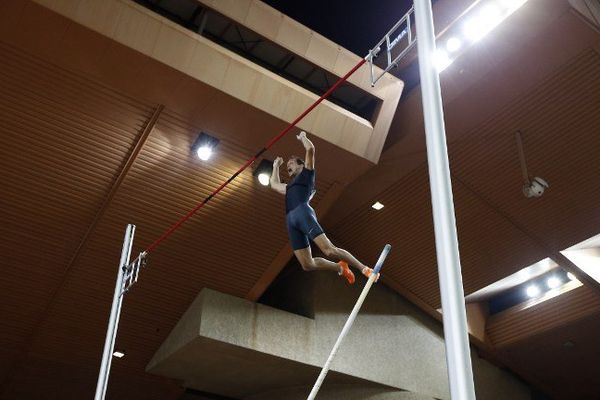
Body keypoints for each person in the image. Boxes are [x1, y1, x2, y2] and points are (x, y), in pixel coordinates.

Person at [270, 131, 378, 284]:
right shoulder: (289, 187)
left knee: (329, 250)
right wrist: (275, 167)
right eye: (287, 164)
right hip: (290, 221)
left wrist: (303, 138)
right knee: (307, 264)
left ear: (301, 165)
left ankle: (365, 269)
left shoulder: (307, 175)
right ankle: (340, 268)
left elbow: (310, 150)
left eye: (291, 162)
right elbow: (274, 185)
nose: (288, 164)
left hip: (302, 213)